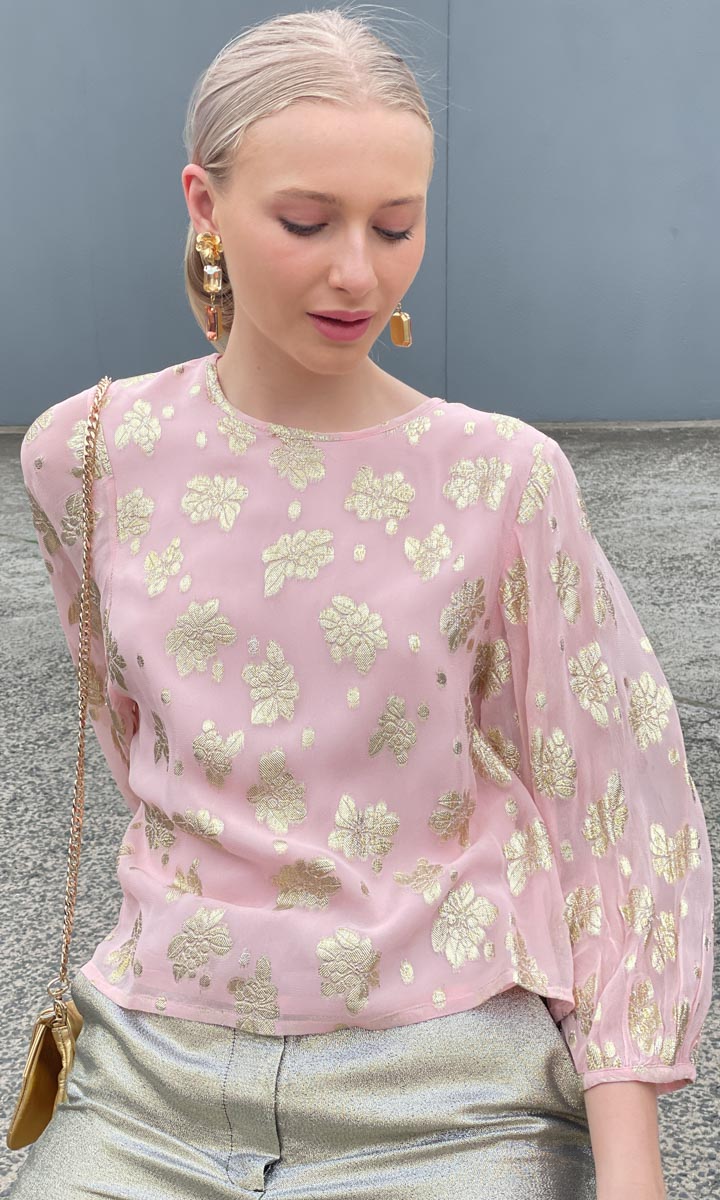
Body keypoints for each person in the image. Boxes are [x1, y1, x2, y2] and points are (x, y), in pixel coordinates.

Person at [9, 6, 714, 1199]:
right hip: (151, 1070)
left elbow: (613, 816)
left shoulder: (502, 477)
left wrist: (632, 1168)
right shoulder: (82, 455)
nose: (359, 271)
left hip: (450, 1081)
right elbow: (143, 743)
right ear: (204, 205)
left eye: (396, 225)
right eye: (307, 221)